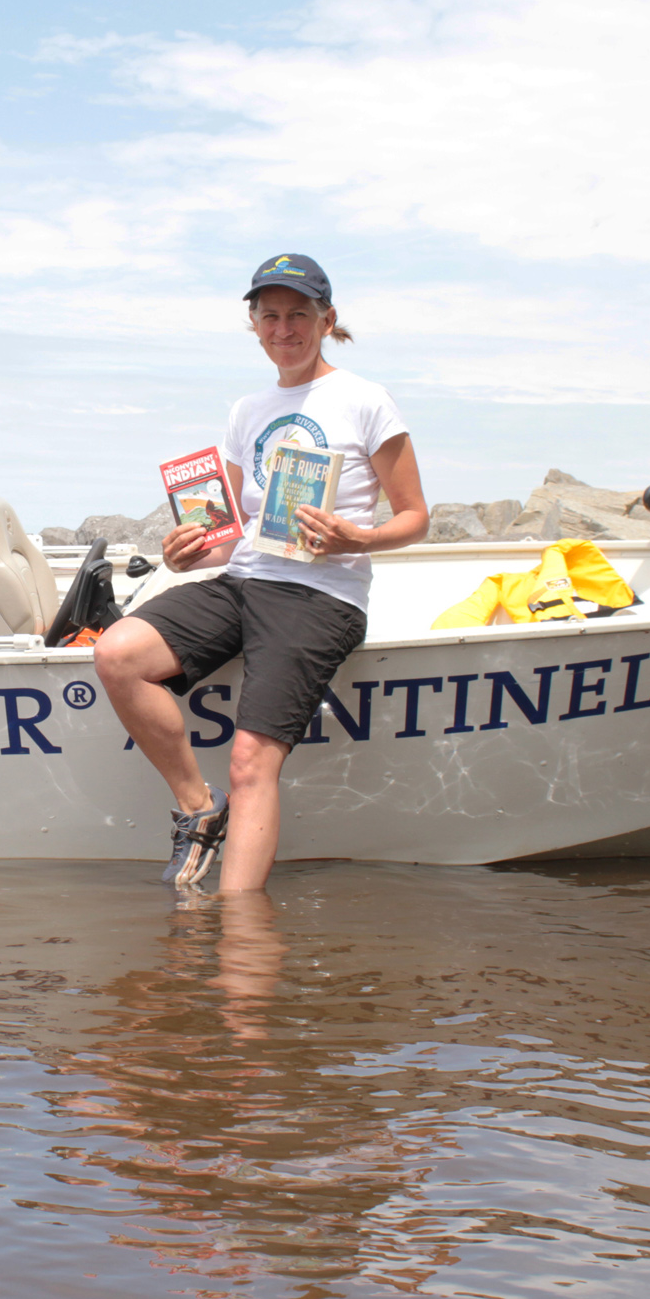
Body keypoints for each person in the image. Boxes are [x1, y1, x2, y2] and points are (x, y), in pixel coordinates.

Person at [93, 253, 429, 893]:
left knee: (251, 761)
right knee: (117, 652)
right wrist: (187, 552)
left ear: (327, 320)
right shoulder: (247, 410)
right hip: (243, 582)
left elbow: (415, 518)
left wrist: (357, 537)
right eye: (269, 316)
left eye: (298, 315)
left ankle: (241, 946)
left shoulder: (366, 399)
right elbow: (230, 536)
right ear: (254, 325)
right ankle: (199, 809)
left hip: (320, 594)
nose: (284, 329)